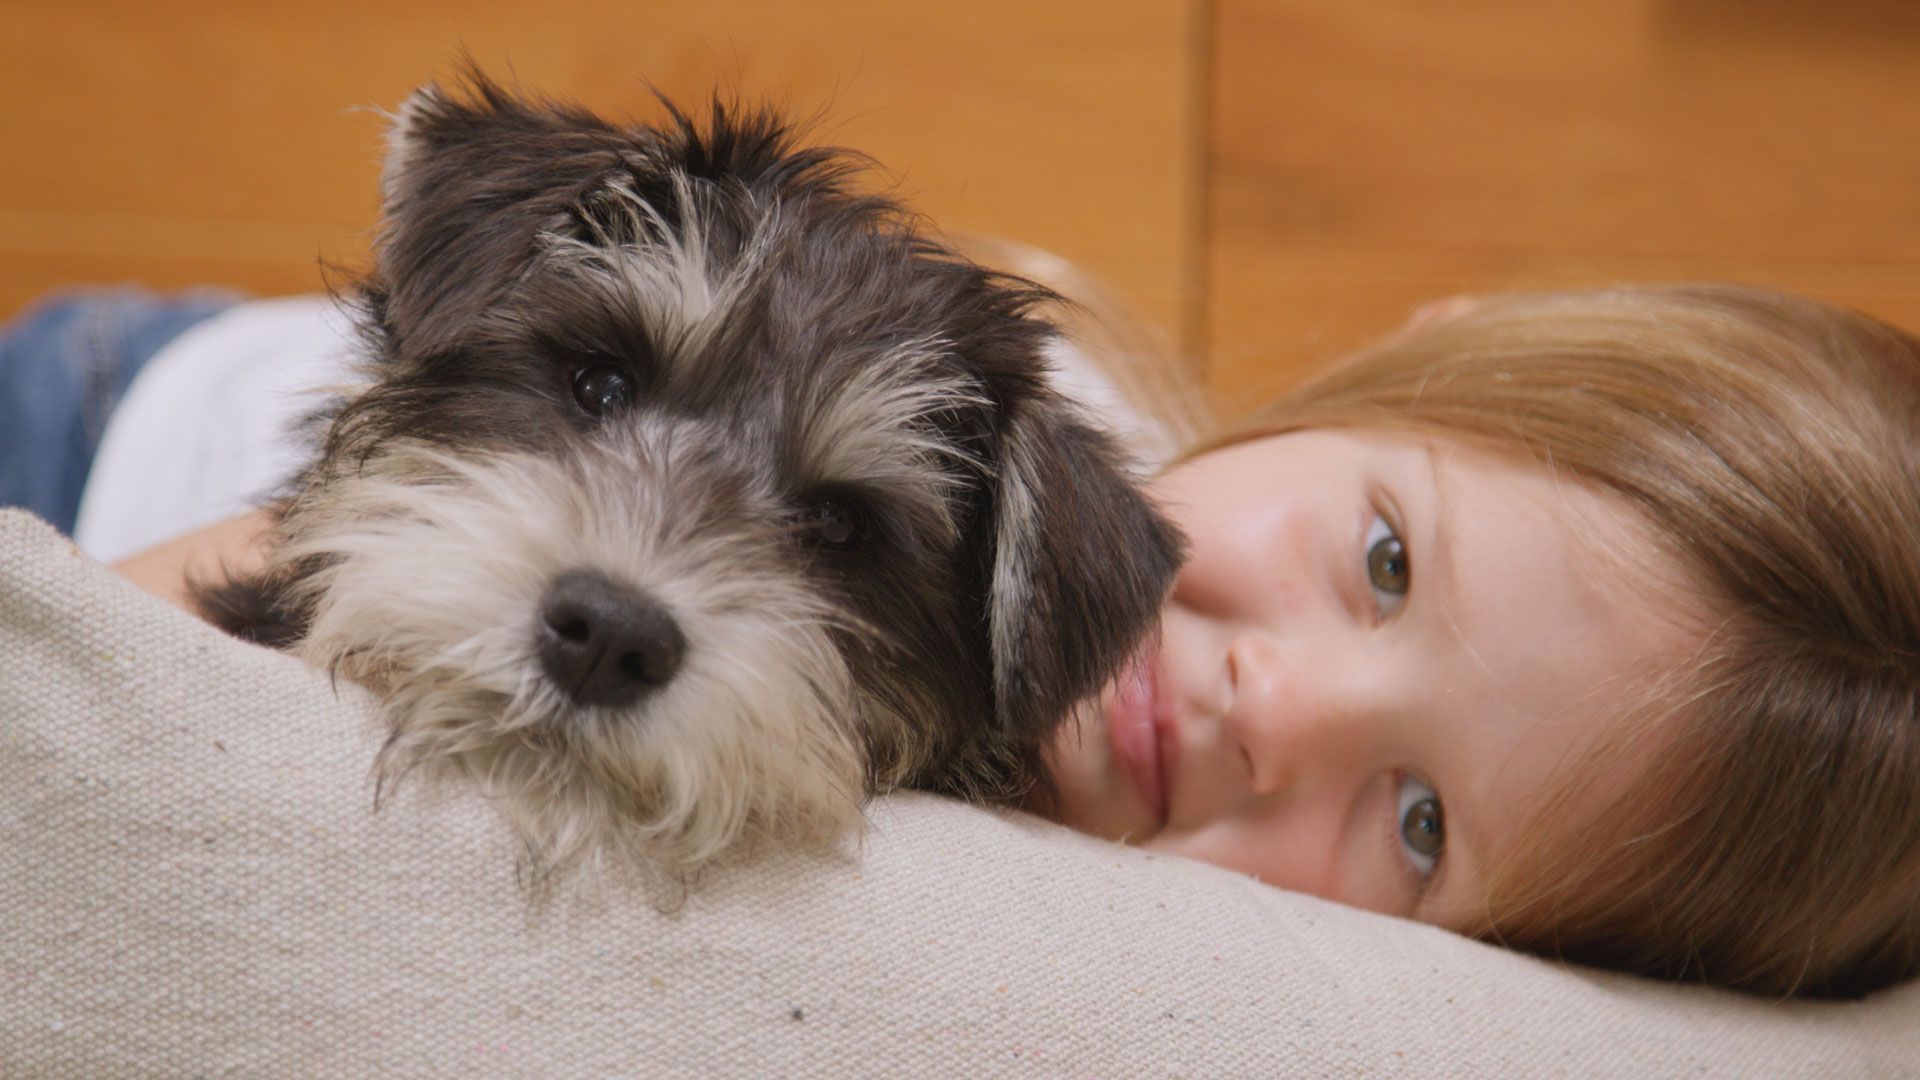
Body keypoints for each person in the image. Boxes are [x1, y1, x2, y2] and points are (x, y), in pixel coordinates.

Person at [9, 280, 1917, 999]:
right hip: (118, 421)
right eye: (1390, 560)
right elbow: (230, 596)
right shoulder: (1026, 445)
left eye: (1420, 822)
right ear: (1430, 340)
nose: (1278, 705)